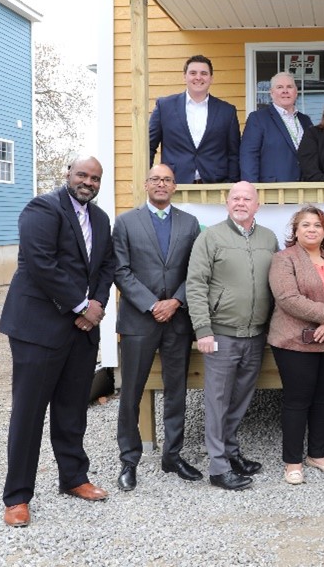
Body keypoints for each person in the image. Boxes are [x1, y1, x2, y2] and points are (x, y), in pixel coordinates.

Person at [0, 156, 116, 528]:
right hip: (38, 328)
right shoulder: (42, 208)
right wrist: (81, 304)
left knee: (71, 408)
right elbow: (40, 263)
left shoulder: (99, 219)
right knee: (29, 413)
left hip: (81, 331)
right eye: (82, 174)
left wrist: (96, 305)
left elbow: (106, 267)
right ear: (68, 174)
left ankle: (74, 478)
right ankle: (17, 496)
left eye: (95, 178)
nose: (88, 182)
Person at [112, 164, 202, 492]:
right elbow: (120, 270)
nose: (161, 184)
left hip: (177, 319)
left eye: (167, 179)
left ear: (175, 186)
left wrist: (175, 302)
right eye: (155, 179)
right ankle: (129, 458)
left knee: (176, 389)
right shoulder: (125, 222)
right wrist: (152, 304)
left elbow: (195, 271)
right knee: (132, 391)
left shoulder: (190, 223)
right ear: (146, 184)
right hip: (139, 319)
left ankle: (172, 455)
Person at [186, 181, 279, 491]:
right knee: (217, 400)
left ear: (257, 205)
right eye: (235, 198)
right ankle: (217, 467)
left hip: (255, 335)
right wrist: (203, 330)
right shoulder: (210, 237)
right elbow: (196, 285)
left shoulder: (268, 238)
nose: (241, 202)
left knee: (241, 398)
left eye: (247, 198)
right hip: (221, 335)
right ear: (227, 204)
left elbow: (278, 285)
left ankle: (231, 451)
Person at [268, 206, 324, 484]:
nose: (311, 229)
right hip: (294, 341)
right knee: (297, 401)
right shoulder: (284, 259)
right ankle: (292, 462)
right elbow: (287, 297)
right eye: (305, 225)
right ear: (295, 231)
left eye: (317, 225)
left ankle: (316, 455)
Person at [149, 55, 241, 184]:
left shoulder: (227, 111)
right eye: (193, 73)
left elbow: (234, 153)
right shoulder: (164, 106)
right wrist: (151, 180)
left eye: (204, 73)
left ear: (211, 78)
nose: (198, 77)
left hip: (216, 186)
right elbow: (149, 146)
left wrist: (231, 182)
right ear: (184, 76)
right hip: (174, 184)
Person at [240, 72, 314, 182]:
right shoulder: (258, 119)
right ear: (272, 93)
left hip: (304, 190)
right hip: (272, 191)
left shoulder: (305, 120)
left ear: (296, 92)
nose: (285, 91)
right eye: (280, 87)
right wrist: (251, 189)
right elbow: (249, 157)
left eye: (289, 87)